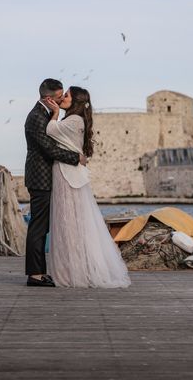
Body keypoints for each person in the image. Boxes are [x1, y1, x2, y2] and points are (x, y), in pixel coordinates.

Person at [43, 86, 130, 288]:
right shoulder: (75, 120)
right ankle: (73, 269)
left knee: (68, 223)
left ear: (76, 101)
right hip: (67, 173)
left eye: (66, 96)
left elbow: (50, 130)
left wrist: (54, 113)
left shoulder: (74, 120)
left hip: (67, 175)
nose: (62, 98)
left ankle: (73, 272)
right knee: (70, 223)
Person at [24, 78, 86, 287]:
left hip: (45, 178)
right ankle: (35, 275)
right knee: (38, 227)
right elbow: (49, 148)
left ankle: (40, 271)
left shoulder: (45, 114)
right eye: (60, 97)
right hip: (40, 179)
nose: (61, 101)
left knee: (43, 228)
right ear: (49, 98)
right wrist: (75, 158)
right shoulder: (36, 117)